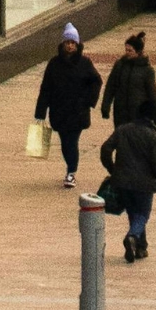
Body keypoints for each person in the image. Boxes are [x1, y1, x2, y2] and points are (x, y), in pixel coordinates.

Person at [34, 23, 102, 188]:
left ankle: (71, 171)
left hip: (78, 111)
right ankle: (70, 167)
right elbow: (46, 88)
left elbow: (96, 81)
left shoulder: (84, 63)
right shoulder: (54, 64)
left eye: (73, 43)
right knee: (65, 143)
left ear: (77, 44)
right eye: (67, 42)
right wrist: (40, 112)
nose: (70, 45)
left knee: (72, 142)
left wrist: (88, 101)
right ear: (63, 44)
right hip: (59, 111)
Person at [101, 102, 156, 263]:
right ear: (151, 117)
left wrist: (113, 169)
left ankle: (140, 247)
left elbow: (105, 149)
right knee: (143, 214)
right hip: (144, 183)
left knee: (133, 213)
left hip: (123, 181)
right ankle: (132, 236)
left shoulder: (123, 130)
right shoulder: (152, 135)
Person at [99, 32, 156, 129]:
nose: (127, 52)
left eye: (130, 50)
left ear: (138, 52)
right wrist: (105, 107)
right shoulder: (119, 65)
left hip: (137, 114)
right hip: (120, 112)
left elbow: (152, 93)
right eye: (126, 50)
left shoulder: (147, 70)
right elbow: (110, 87)